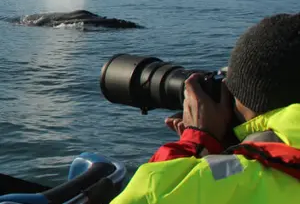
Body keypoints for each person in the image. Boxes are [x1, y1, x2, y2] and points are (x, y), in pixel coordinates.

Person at [110, 13, 300, 204]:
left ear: (253, 99)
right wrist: (231, 150)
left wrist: (195, 142)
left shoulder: (246, 173)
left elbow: (146, 198)